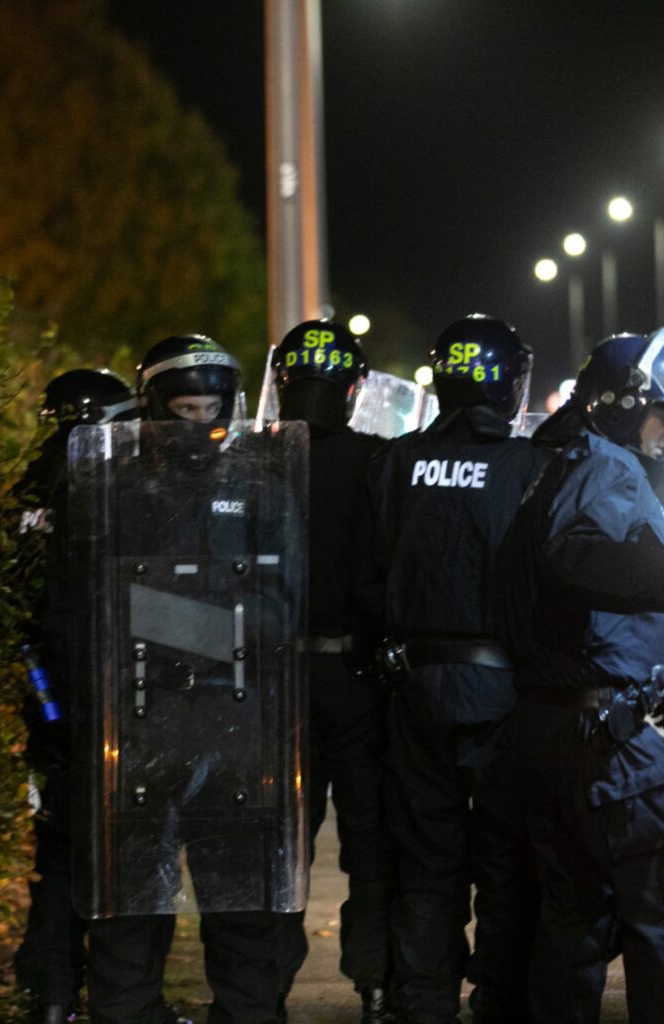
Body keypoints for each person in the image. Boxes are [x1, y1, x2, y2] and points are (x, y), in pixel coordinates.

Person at [494, 329, 664, 1023]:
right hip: (607, 741)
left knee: (575, 925)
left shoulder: (557, 460)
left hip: (552, 727)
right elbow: (578, 556)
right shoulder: (605, 467)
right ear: (621, 405)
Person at [82, 333, 293, 1024]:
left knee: (241, 907)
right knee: (132, 905)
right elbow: (92, 605)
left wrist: (171, 619)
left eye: (211, 408)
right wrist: (206, 618)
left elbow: (281, 605)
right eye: (182, 409)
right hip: (140, 718)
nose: (198, 425)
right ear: (152, 409)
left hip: (234, 722)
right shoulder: (115, 487)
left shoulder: (260, 486)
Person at [358, 314, 545, 1024]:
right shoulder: (529, 465)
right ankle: (499, 999)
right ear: (509, 385)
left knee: (428, 859)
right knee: (504, 856)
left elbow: (370, 580)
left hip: (415, 686)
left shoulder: (396, 461)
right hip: (502, 688)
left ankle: (425, 1001)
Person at [271, 319, 396, 1022]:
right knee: (370, 843)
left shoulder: (254, 460)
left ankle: (265, 988)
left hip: (273, 685)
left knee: (279, 850)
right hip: (356, 678)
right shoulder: (377, 462)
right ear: (353, 390)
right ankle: (375, 983)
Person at [13, 368, 138, 1024]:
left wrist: (47, 709)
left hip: (48, 697)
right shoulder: (111, 484)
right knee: (116, 852)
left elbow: (17, 607)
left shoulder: (29, 490)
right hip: (109, 697)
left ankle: (52, 994)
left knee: (57, 850)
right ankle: (112, 995)